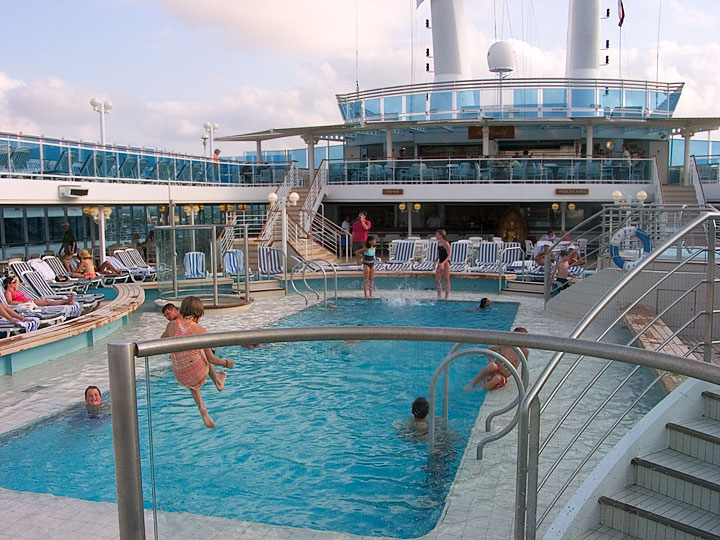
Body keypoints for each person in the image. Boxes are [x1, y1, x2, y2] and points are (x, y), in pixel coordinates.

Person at [161, 296, 234, 429]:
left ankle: (201, 407)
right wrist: (226, 363)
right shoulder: (200, 330)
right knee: (203, 353)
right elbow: (212, 359)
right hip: (198, 372)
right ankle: (218, 382)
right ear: (198, 313)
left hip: (180, 375)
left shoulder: (171, 325)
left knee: (189, 365)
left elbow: (161, 341)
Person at [464, 327, 529, 391]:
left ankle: (479, 389)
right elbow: (490, 350)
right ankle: (472, 384)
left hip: (503, 375)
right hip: (496, 369)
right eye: (515, 336)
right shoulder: (505, 345)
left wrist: (522, 381)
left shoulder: (524, 351)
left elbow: (524, 367)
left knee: (497, 379)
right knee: (492, 366)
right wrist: (491, 361)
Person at [3, 276, 75, 307]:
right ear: (8, 284)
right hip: (25, 304)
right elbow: (10, 302)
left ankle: (65, 303)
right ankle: (64, 302)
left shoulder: (15, 289)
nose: (15, 283)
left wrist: (14, 279)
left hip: (28, 301)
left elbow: (17, 278)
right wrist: (23, 303)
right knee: (46, 302)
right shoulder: (8, 292)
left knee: (46, 302)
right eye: (13, 282)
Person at [435, 229, 451, 300]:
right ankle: (439, 296)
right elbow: (439, 253)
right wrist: (435, 260)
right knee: (437, 279)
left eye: (437, 234)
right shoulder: (439, 243)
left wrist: (443, 264)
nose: (436, 236)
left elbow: (449, 255)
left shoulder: (446, 243)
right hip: (440, 262)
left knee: (446, 279)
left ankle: (446, 297)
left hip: (446, 263)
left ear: (441, 235)